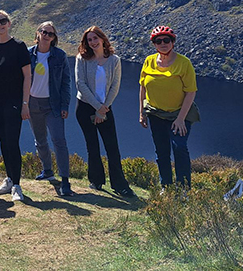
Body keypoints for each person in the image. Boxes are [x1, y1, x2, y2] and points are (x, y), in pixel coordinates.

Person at [75, 26, 134, 197]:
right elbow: (80, 84)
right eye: (89, 40)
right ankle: (96, 181)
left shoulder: (114, 60)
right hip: (85, 107)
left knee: (112, 147)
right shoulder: (82, 59)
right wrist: (97, 107)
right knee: (92, 146)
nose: (93, 42)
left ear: (103, 39)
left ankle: (120, 185)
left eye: (95, 38)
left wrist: (103, 110)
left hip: (105, 107)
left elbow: (115, 86)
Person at [139, 25, 199, 189]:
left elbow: (191, 92)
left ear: (173, 42)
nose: (163, 43)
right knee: (162, 151)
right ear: (154, 44)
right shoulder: (149, 61)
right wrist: (142, 112)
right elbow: (143, 87)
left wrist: (180, 119)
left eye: (166, 40)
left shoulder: (183, 63)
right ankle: (165, 186)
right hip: (155, 113)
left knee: (179, 147)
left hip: (180, 114)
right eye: (158, 41)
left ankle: (184, 188)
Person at [0, 10, 31, 202]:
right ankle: (10, 179)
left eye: (3, 21)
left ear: (9, 23)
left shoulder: (19, 46)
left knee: (12, 142)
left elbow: (28, 76)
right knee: (3, 142)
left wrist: (25, 103)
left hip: (13, 102)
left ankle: (17, 185)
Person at [27, 21, 74, 196]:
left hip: (53, 104)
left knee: (59, 141)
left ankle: (65, 180)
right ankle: (47, 170)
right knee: (40, 141)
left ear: (54, 38)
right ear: (37, 33)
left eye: (50, 34)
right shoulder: (28, 54)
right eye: (44, 32)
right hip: (33, 104)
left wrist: (65, 105)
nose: (46, 36)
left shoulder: (60, 56)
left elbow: (65, 82)